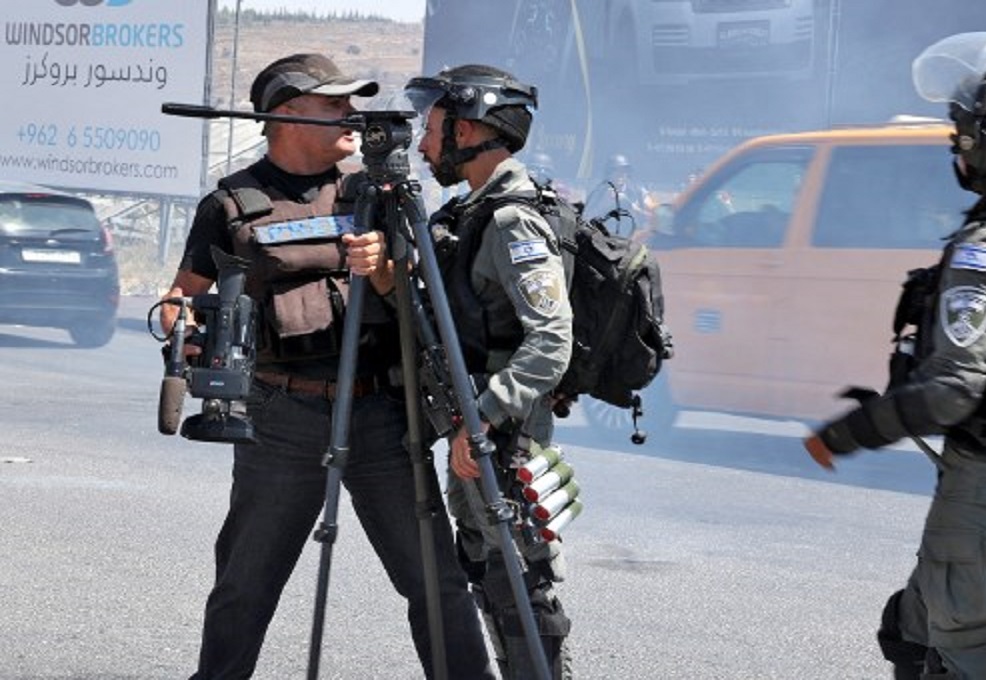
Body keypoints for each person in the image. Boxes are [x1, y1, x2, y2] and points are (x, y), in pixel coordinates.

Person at [160, 53, 493, 679]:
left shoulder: (375, 191)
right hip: (278, 417)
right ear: (285, 112)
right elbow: (182, 300)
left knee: (436, 584)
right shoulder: (230, 203)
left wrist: (388, 268)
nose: (352, 114)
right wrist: (193, 334)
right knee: (244, 587)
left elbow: (424, 306)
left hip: (381, 415)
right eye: (335, 103)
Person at [803, 32, 986, 679]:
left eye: (962, 131)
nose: (955, 143)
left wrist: (850, 433)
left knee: (959, 657)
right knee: (910, 626)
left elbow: (953, 387)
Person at [405, 64, 574, 678]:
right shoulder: (471, 211)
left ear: (470, 128)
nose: (424, 146)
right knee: (485, 566)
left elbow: (552, 340)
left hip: (499, 435)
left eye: (434, 129)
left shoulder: (511, 220)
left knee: (517, 576)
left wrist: (481, 416)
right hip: (475, 430)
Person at [582, 153, 654, 238]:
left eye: (624, 170)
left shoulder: (638, 191)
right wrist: (604, 205)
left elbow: (654, 216)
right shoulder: (598, 193)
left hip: (633, 241)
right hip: (604, 241)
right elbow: (584, 220)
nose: (620, 174)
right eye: (616, 170)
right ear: (608, 173)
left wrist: (630, 206)